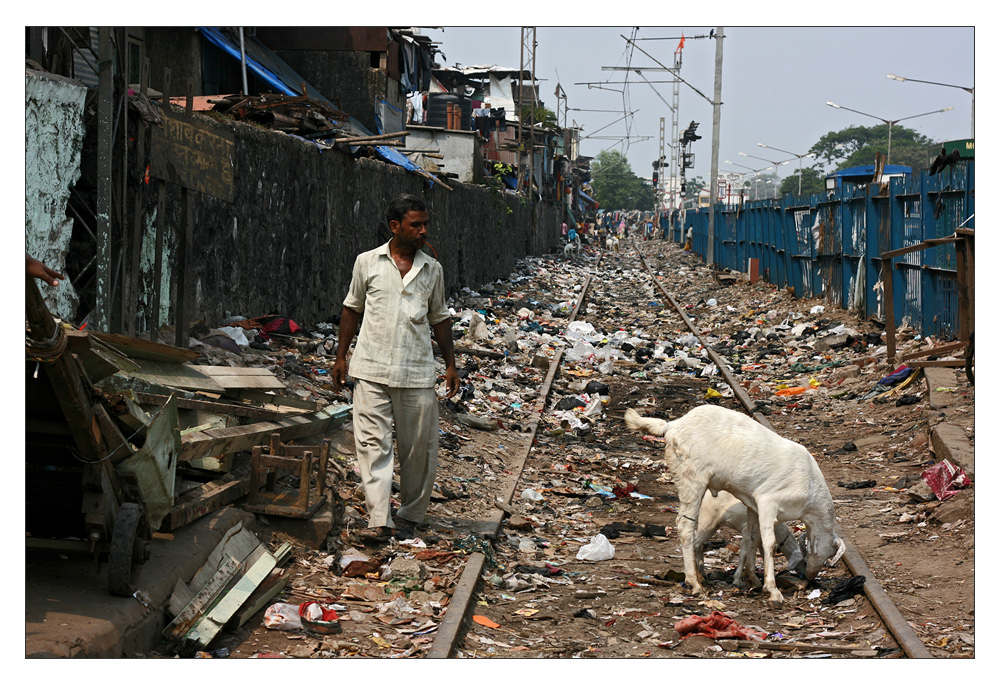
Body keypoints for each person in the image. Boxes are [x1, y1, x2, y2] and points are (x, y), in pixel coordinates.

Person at [331, 194, 460, 543]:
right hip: (370, 367)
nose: (423, 231)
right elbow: (351, 309)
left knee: (418, 449)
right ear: (395, 227)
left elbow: (440, 319)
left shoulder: (432, 269)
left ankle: (411, 515)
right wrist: (341, 357)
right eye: (415, 224)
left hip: (416, 371)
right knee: (373, 445)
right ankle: (379, 519)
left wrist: (450, 364)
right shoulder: (367, 262)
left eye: (425, 224)